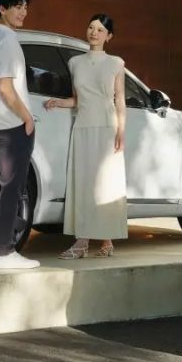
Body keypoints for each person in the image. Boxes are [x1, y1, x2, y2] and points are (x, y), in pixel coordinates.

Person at [44, 13, 128, 258]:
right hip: (82, 127)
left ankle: (104, 240)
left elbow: (120, 100)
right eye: (91, 27)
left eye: (100, 30)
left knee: (105, 184)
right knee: (83, 185)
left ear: (109, 36)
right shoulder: (75, 63)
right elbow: (78, 99)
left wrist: (121, 131)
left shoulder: (116, 63)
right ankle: (84, 241)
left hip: (107, 128)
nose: (94, 33)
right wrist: (58, 102)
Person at [0, 0, 40, 270]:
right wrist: (27, 117)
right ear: (2, 8)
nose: (23, 12)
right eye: (17, 6)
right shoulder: (7, 41)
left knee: (4, 188)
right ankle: (5, 253)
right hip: (12, 124)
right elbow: (6, 88)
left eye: (25, 7)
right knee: (12, 189)